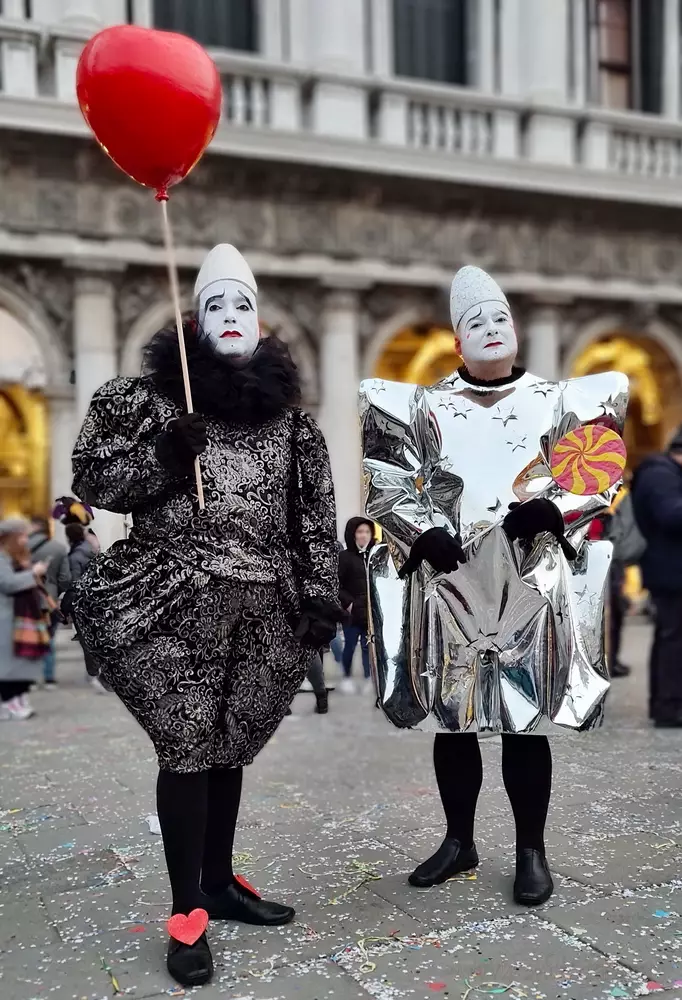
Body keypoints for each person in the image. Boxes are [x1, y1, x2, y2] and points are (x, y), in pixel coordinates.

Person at [70, 244, 341, 988]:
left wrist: (321, 596)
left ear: (262, 324)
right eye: (216, 305)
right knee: (186, 747)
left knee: (229, 746)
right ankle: (187, 910)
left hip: (265, 611)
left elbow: (316, 519)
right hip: (170, 600)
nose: (230, 316)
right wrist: (162, 454)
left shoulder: (292, 427)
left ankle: (219, 881)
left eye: (243, 305)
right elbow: (94, 477)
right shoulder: (145, 400)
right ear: (193, 319)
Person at [360, 265, 628, 906]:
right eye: (475, 323)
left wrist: (558, 509)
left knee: (524, 721)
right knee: (453, 720)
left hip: (530, 587)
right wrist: (417, 531)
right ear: (457, 342)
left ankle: (531, 850)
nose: (490, 329)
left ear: (516, 332)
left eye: (499, 319)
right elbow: (388, 478)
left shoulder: (556, 402)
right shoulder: (425, 407)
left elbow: (598, 472)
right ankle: (459, 841)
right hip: (449, 586)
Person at [631, 427, 682, 727]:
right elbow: (671, 515)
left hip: (671, 570)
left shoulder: (665, 473)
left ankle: (669, 702)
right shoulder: (660, 474)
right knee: (672, 640)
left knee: (672, 638)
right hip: (670, 572)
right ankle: (668, 706)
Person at [0, 519, 49, 720]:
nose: (25, 540)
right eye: (21, 536)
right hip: (7, 617)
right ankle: (10, 701)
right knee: (9, 663)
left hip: (20, 617)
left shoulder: (13, 557)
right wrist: (33, 573)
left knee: (21, 659)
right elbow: (8, 583)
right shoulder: (2, 558)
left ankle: (17, 699)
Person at [604, 482, 646, 679]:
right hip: (612, 559)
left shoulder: (615, 495)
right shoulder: (620, 496)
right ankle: (609, 662)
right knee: (612, 614)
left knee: (612, 613)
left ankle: (610, 661)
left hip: (612, 557)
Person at [28, 516, 70, 688]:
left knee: (27, 637)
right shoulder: (59, 549)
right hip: (49, 600)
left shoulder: (19, 548)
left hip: (26, 599)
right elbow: (66, 578)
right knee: (49, 637)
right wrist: (55, 591)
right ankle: (49, 677)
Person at [338, 517, 375, 694]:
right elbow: (338, 585)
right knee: (350, 646)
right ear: (353, 534)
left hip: (371, 612)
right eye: (360, 532)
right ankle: (346, 677)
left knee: (369, 647)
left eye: (367, 532)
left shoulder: (375, 555)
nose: (364, 536)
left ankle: (369, 678)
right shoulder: (344, 557)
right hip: (352, 613)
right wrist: (348, 604)